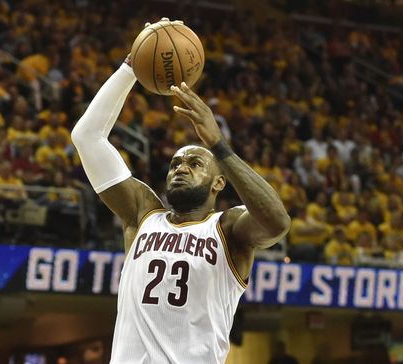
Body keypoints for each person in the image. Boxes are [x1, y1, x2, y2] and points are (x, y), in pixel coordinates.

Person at [71, 24, 291, 364]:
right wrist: (131, 66)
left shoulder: (229, 229)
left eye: (194, 162)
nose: (180, 167)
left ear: (219, 183)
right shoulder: (142, 214)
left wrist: (218, 145)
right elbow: (87, 137)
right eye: (175, 163)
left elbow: (277, 223)